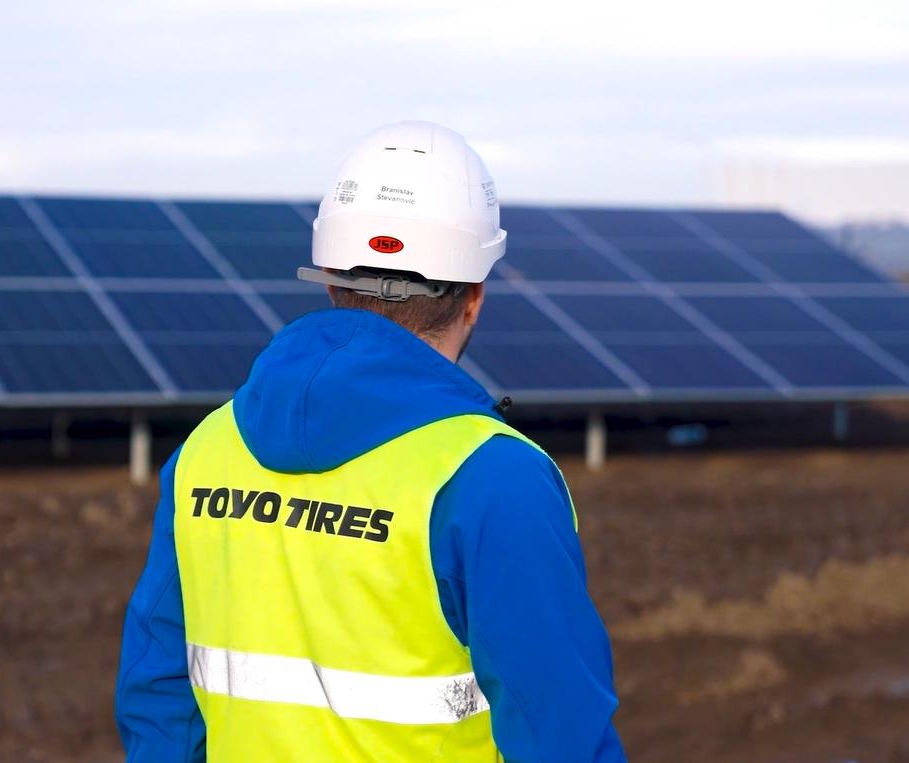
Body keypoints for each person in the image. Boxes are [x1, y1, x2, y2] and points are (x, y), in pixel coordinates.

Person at [115, 120, 625, 762]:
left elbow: (158, 691)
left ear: (331, 279)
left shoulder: (208, 448)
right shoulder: (494, 478)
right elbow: (559, 732)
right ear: (474, 299)